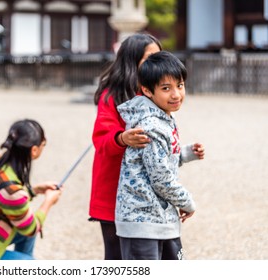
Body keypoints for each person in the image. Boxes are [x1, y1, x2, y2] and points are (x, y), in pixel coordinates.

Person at [115, 51, 205, 260]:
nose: (176, 94)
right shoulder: (152, 125)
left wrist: (187, 153)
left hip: (158, 217)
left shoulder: (163, 117)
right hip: (143, 220)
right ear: (147, 90)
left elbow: (160, 161)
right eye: (166, 88)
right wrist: (187, 201)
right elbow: (161, 179)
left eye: (180, 85)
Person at [89, 33, 162, 260]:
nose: (156, 64)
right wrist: (122, 138)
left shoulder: (156, 93)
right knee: (115, 254)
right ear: (132, 61)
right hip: (113, 184)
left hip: (145, 188)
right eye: (150, 58)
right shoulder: (112, 96)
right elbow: (101, 138)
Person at [0, 119, 63, 260]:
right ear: (34, 150)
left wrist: (35, 190)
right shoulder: (13, 191)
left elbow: (4, 197)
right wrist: (49, 202)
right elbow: (31, 228)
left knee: (26, 228)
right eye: (43, 144)